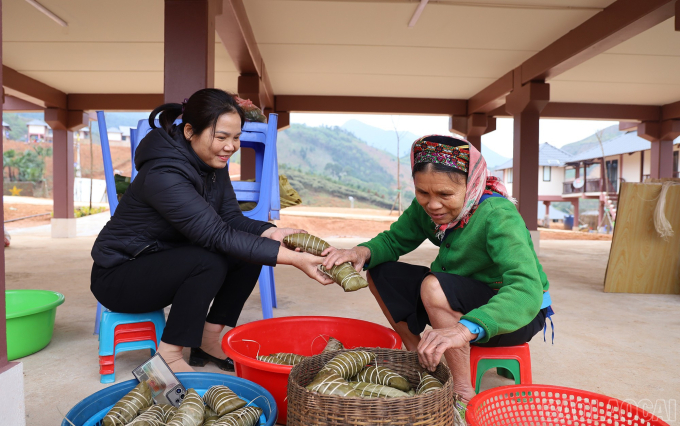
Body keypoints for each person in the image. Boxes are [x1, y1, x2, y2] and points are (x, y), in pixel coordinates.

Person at [91, 89, 333, 373]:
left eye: (236, 137)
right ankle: (168, 355)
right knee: (209, 260)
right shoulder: (163, 174)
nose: (230, 146)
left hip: (163, 259)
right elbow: (216, 235)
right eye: (221, 137)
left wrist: (271, 233)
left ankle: (208, 339)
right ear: (191, 131)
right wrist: (294, 260)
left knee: (247, 252)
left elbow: (229, 217)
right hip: (120, 275)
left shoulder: (211, 163)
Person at [322, 135, 552, 414]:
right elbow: (394, 241)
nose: (432, 204)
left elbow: (526, 289)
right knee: (381, 271)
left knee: (433, 287)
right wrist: (360, 253)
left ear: (472, 185)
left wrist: (464, 329)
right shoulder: (428, 208)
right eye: (423, 193)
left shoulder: (497, 215)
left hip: (516, 315)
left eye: (445, 195)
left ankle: (462, 390)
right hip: (460, 294)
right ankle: (418, 355)